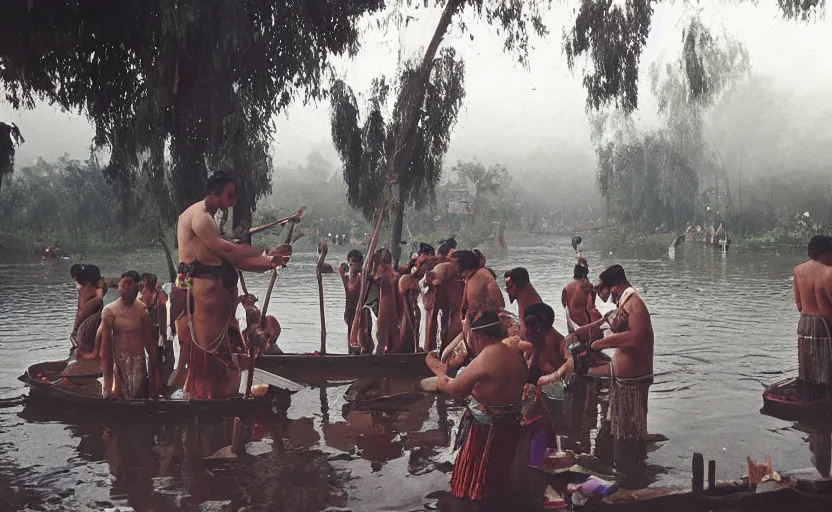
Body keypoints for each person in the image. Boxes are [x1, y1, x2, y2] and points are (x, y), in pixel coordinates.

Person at [172, 171, 290, 399]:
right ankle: (203, 400)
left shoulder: (208, 218)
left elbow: (234, 259)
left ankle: (216, 399)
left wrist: (269, 262)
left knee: (220, 360)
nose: (233, 201)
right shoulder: (199, 216)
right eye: (230, 195)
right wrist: (265, 251)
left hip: (215, 304)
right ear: (215, 191)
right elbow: (228, 251)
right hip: (202, 301)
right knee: (207, 358)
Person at [425, 310, 526, 501]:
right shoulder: (513, 355)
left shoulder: (486, 357)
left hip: (488, 430)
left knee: (474, 485)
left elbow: (457, 389)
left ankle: (474, 495)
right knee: (501, 478)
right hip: (512, 424)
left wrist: (440, 377)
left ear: (480, 336)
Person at [588, 265, 654, 443]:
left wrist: (602, 343)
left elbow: (635, 338)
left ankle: (633, 465)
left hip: (634, 379)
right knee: (624, 433)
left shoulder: (634, 303)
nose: (610, 294)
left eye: (610, 289)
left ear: (617, 285)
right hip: (625, 379)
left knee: (631, 435)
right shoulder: (625, 302)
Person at [99, 270, 160, 399]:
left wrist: (155, 380)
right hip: (120, 363)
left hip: (138, 363)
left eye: (130, 283)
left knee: (139, 398)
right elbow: (105, 350)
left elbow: (150, 343)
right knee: (119, 398)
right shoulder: (110, 311)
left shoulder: (142, 310)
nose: (126, 286)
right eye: (124, 283)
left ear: (137, 287)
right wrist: (107, 384)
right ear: (119, 286)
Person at [792, 235, 832, 400]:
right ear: (819, 254)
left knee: (809, 361)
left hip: (805, 322)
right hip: (825, 324)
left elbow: (799, 304)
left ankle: (810, 393)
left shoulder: (798, 270)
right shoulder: (829, 272)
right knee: (826, 362)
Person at [71, 263, 105, 357]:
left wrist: (78, 322)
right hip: (83, 325)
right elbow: (80, 309)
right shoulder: (83, 290)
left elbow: (83, 311)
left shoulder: (97, 291)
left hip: (88, 326)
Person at [503, 267, 542, 338]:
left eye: (508, 287)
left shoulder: (528, 302)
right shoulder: (526, 290)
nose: (507, 291)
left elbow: (525, 332)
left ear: (513, 287)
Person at [562, 262, 600, 332]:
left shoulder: (566, 287)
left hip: (571, 319)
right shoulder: (586, 284)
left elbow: (564, 304)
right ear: (584, 274)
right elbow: (591, 304)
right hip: (583, 319)